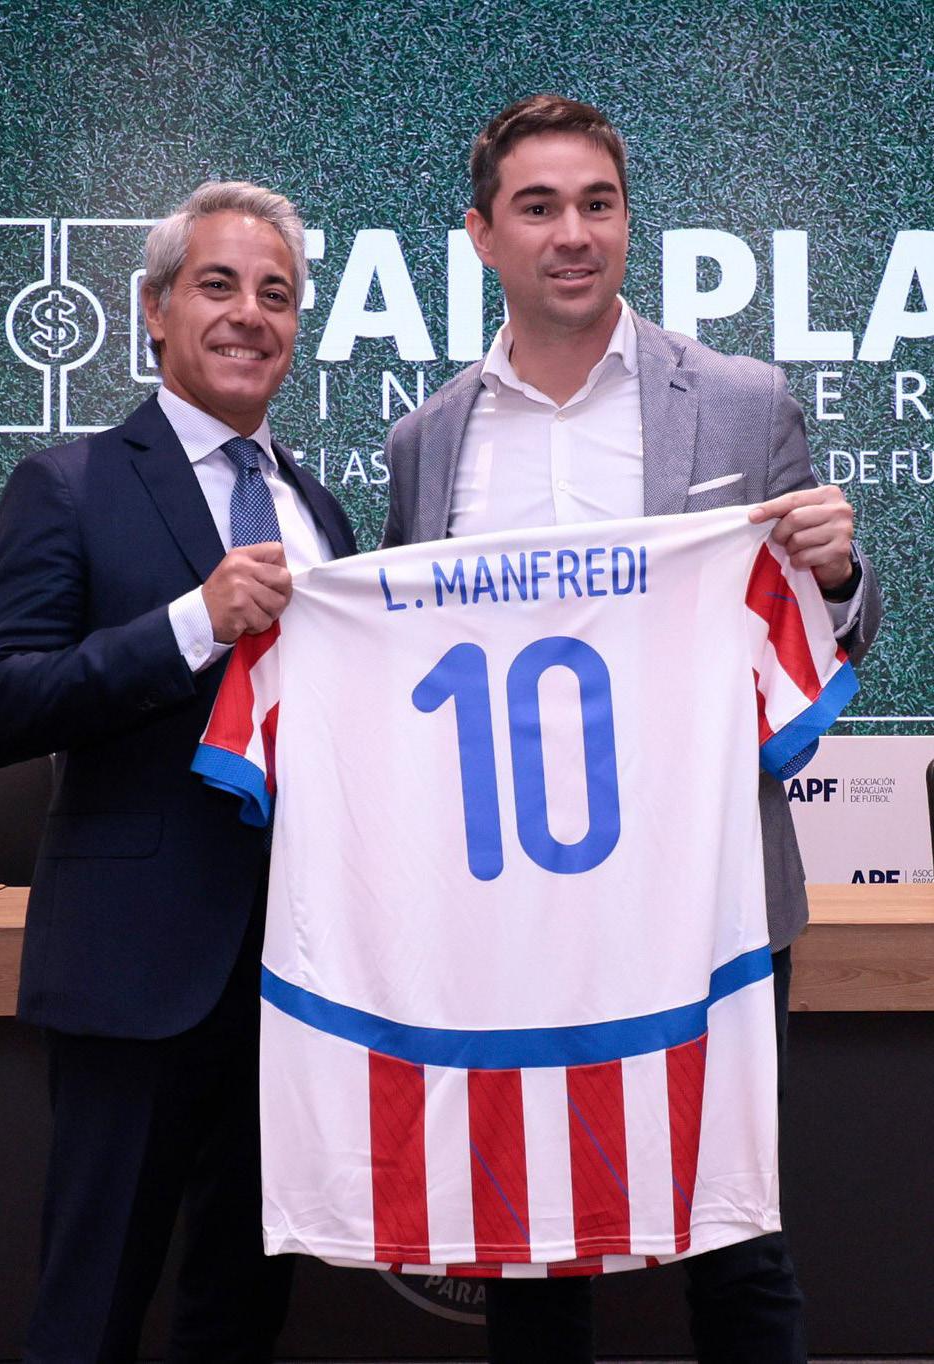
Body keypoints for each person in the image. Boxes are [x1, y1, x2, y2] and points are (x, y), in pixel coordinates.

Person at [381, 95, 881, 1364]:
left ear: (626, 221)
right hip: (509, 907)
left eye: (597, 204)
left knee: (737, 1238)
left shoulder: (741, 401)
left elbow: (829, 633)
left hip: (708, 894)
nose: (574, 233)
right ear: (482, 235)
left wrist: (835, 573)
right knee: (533, 1242)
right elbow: (400, 674)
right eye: (539, 207)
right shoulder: (426, 442)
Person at [0, 181, 355, 1363]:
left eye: (276, 293)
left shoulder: (322, 511)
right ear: (154, 309)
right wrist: (192, 622)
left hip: (297, 983)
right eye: (218, 285)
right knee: (91, 1312)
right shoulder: (71, 483)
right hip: (134, 976)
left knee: (241, 1313)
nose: (249, 314)